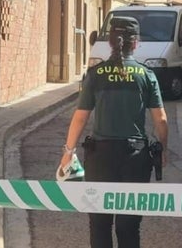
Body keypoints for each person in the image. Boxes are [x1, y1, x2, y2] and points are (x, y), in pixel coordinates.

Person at [59, 16, 168, 248]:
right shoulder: (146, 75)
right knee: (128, 226)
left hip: (100, 158)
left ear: (110, 41)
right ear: (136, 43)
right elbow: (161, 119)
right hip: (136, 159)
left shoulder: (96, 74)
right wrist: (163, 150)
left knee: (99, 224)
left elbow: (80, 116)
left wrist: (69, 151)